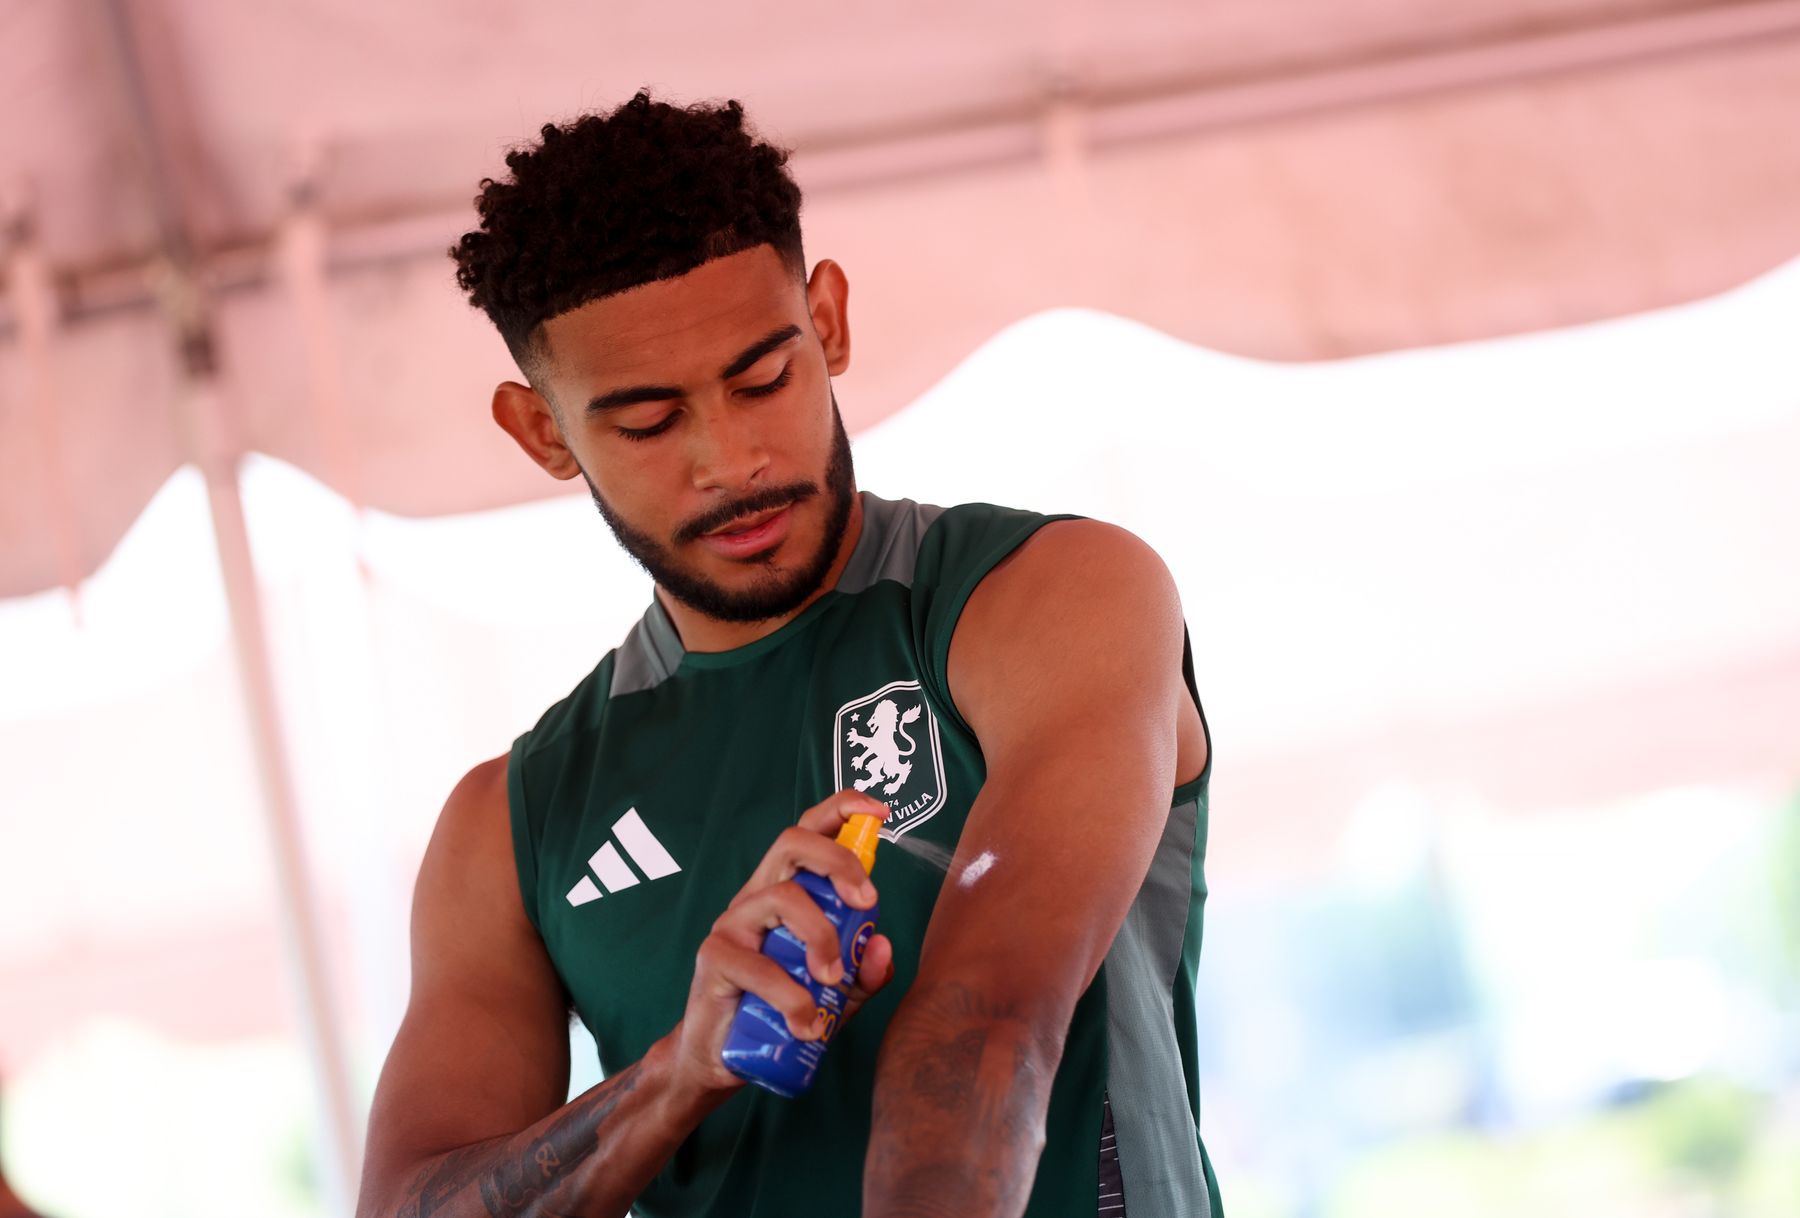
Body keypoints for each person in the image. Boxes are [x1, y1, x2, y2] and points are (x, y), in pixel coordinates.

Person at [355, 90, 1219, 1218]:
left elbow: (986, 1026)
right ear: (543, 433)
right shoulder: (509, 826)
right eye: (650, 422)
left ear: (830, 323)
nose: (732, 457)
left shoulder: (1049, 597)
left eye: (763, 377)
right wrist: (679, 1072)